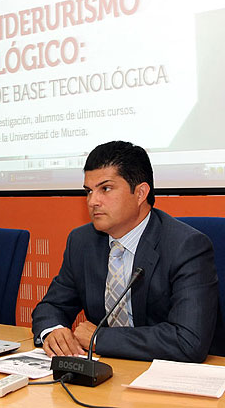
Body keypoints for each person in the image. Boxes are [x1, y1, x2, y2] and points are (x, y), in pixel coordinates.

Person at [32, 141, 218, 362]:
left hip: (168, 372)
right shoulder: (82, 241)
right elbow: (52, 306)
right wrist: (53, 331)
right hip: (107, 367)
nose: (92, 201)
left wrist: (100, 338)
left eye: (105, 189)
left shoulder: (186, 246)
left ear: (140, 193)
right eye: (89, 191)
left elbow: (188, 340)